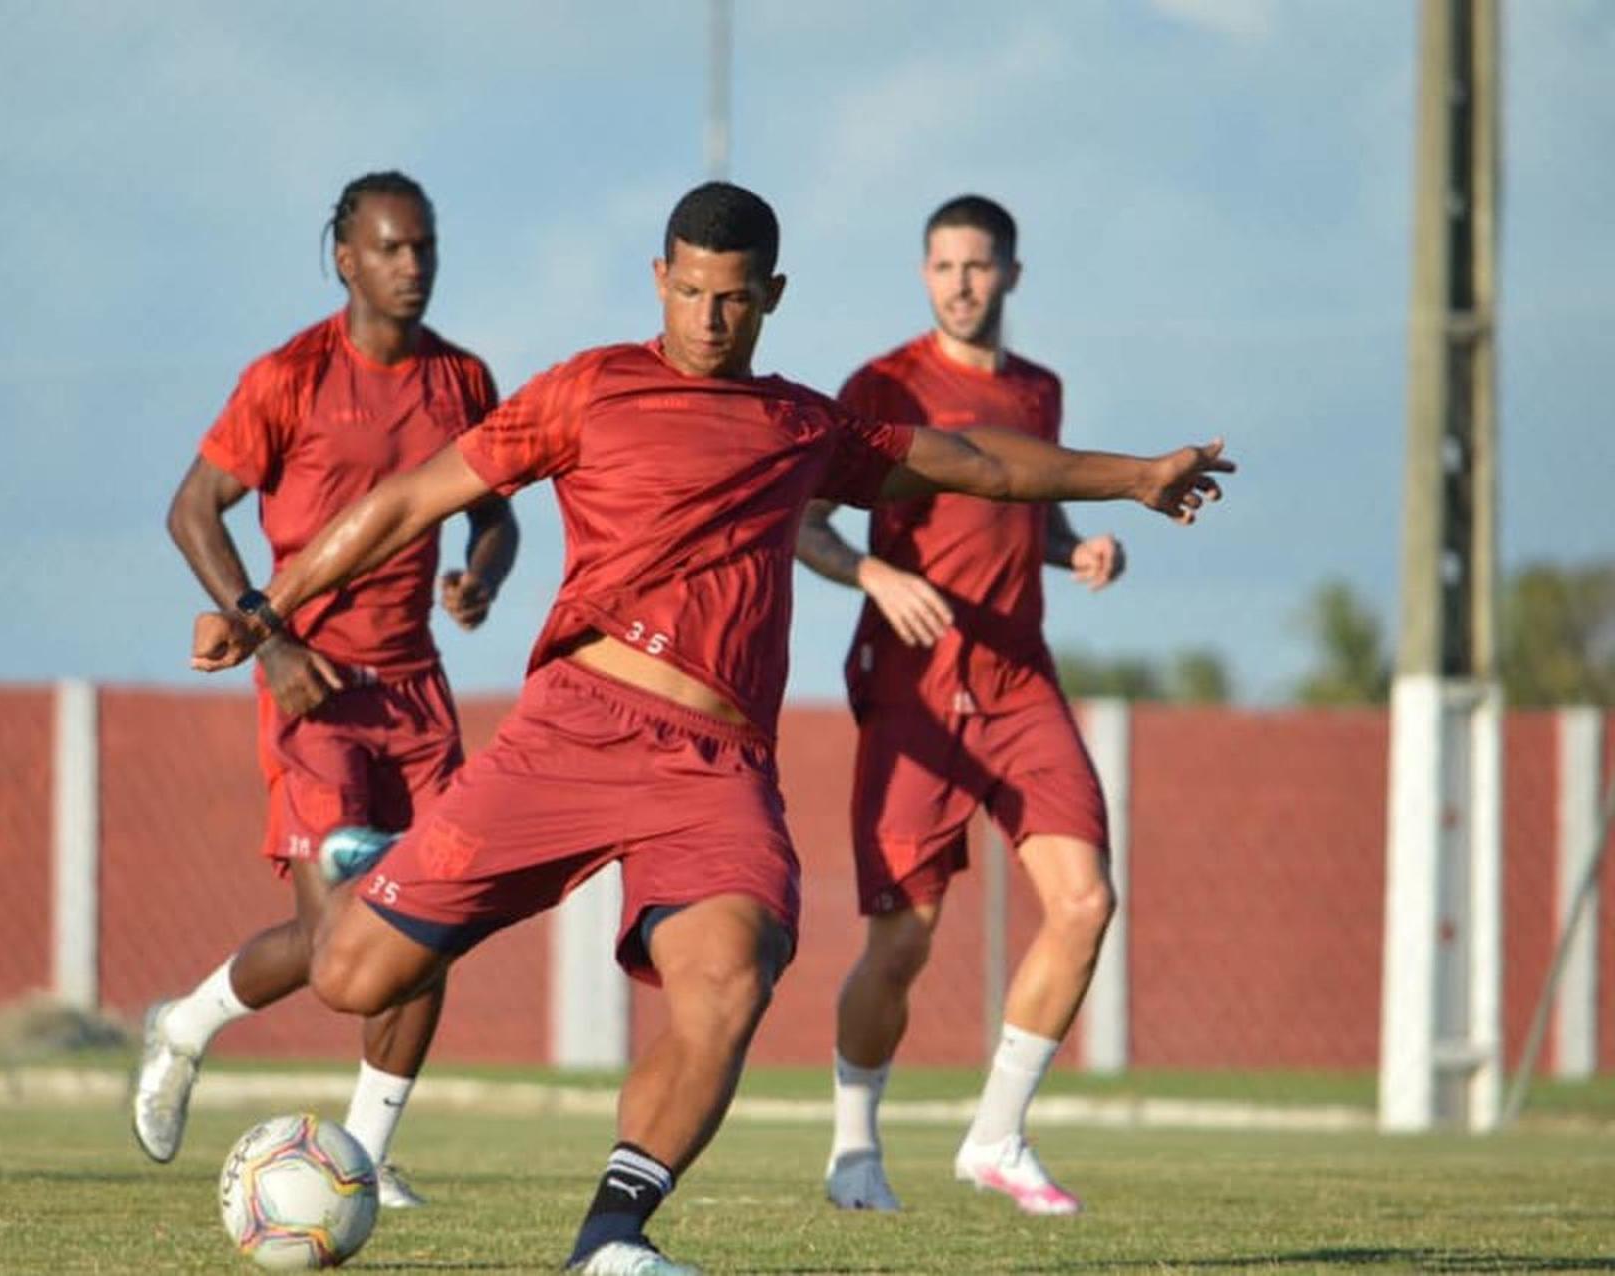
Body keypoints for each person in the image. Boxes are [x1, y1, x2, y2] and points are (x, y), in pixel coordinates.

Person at [188, 181, 1230, 1276]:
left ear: (772, 294)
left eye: (732, 298)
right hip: (569, 737)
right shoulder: (587, 389)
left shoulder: (800, 424)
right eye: (688, 291)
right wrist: (268, 609)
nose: (708, 318)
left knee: (730, 973)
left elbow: (969, 460)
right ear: (659, 280)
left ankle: (611, 1240)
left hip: (714, 768)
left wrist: (1134, 478)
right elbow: (407, 500)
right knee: (356, 975)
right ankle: (279, 952)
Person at [130, 171, 518, 1210]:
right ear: (345, 259)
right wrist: (270, 644)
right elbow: (192, 511)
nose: (412, 266)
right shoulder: (290, 375)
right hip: (312, 693)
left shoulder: (464, 379)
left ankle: (367, 1150)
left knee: (432, 922)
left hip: (418, 698)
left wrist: (481, 575)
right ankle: (185, 1023)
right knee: (345, 935)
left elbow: (497, 513)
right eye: (391, 249)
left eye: (425, 247)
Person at [798, 194, 1130, 1217]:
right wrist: (871, 577)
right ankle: (855, 1146)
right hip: (915, 686)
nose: (962, 283)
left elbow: (1032, 495)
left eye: (980, 266)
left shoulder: (1039, 390)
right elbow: (806, 523)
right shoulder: (885, 384)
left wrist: (1075, 545)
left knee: (1086, 902)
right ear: (924, 272)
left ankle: (998, 1134)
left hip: (1021, 677)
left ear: (1012, 276)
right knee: (904, 941)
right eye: (944, 266)